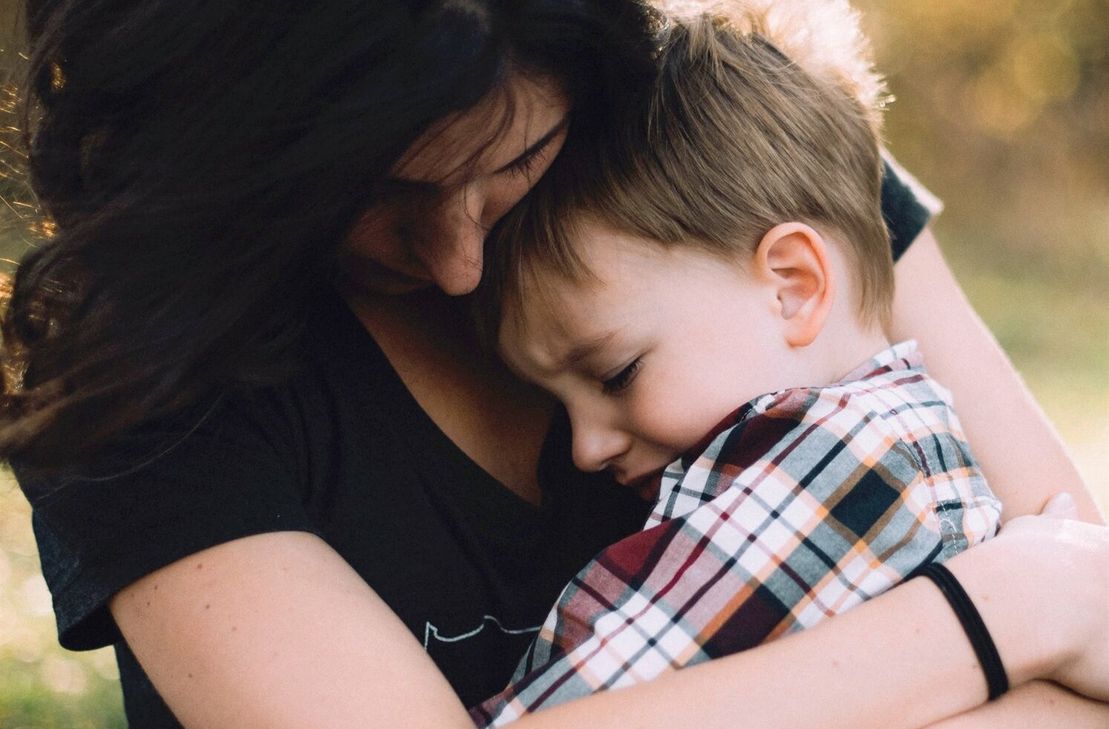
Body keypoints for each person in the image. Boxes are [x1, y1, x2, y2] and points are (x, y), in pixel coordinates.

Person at [0, 1, 1104, 728]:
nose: (458, 263)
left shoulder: (736, 158)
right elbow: (1070, 602)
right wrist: (998, 616)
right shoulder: (137, 367)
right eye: (372, 195)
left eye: (514, 160)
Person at [470, 3, 1007, 722]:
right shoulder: (897, 441)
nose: (585, 447)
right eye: (558, 403)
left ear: (792, 286)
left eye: (617, 373)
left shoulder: (841, 466)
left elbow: (584, 702)